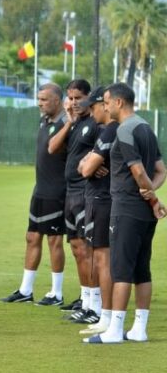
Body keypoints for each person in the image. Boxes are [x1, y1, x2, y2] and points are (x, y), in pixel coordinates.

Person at [86, 83, 167, 344]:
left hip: (126, 210)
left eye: (107, 101)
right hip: (144, 213)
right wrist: (153, 197)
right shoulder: (146, 128)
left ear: (119, 103)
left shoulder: (124, 131)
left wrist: (150, 194)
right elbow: (161, 171)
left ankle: (114, 331)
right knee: (142, 270)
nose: (105, 106)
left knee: (120, 269)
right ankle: (139, 329)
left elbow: (139, 172)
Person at [1, 84, 67, 304]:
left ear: (57, 100)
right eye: (39, 99)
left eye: (44, 99)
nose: (40, 103)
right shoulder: (44, 121)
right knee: (31, 237)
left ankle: (56, 293)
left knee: (54, 241)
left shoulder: (65, 124)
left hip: (57, 192)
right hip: (40, 189)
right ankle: (25, 291)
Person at [46, 79, 97, 309]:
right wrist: (69, 121)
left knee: (88, 249)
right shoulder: (75, 123)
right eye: (71, 98)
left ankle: (94, 303)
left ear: (89, 96)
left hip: (86, 191)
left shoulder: (96, 123)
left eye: (78, 98)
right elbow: (52, 147)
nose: (74, 102)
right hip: (70, 192)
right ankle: (84, 298)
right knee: (76, 249)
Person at [77, 87, 116, 331]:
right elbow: (83, 166)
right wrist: (87, 162)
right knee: (99, 258)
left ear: (105, 104)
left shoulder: (111, 130)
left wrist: (88, 163)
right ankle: (105, 314)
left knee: (104, 260)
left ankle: (107, 315)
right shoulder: (105, 131)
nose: (91, 112)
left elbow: (87, 169)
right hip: (97, 199)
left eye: (93, 107)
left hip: (104, 200)